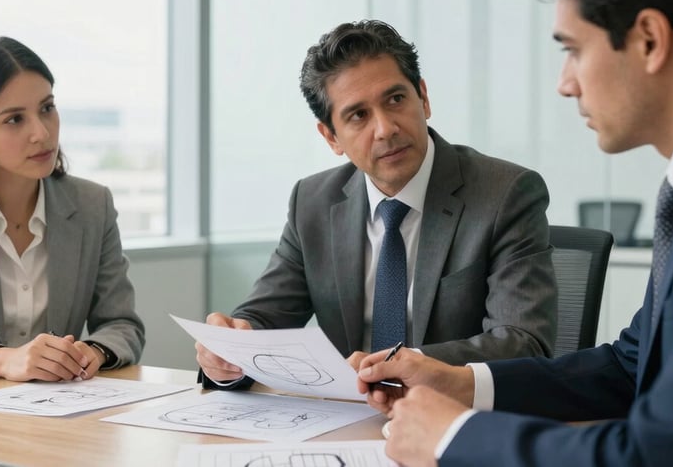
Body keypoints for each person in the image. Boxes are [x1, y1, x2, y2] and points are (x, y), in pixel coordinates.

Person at [357, 0, 673, 465]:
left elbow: (671, 452)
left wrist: (455, 438)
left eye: (572, 49)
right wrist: (461, 383)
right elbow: (631, 366)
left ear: (650, 40)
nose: (565, 84)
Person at [197, 20, 557, 387]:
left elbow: (523, 342)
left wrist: (408, 364)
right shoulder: (313, 203)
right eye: (358, 115)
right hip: (348, 424)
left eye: (396, 99)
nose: (385, 128)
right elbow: (264, 319)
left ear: (424, 98)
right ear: (331, 137)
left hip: (455, 420)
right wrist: (230, 350)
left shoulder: (505, 193)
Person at [0, 37, 145, 382]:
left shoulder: (92, 206)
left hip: (57, 417)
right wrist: (1, 360)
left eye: (47, 108)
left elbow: (122, 324)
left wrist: (94, 350)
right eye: (14, 119)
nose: (42, 133)